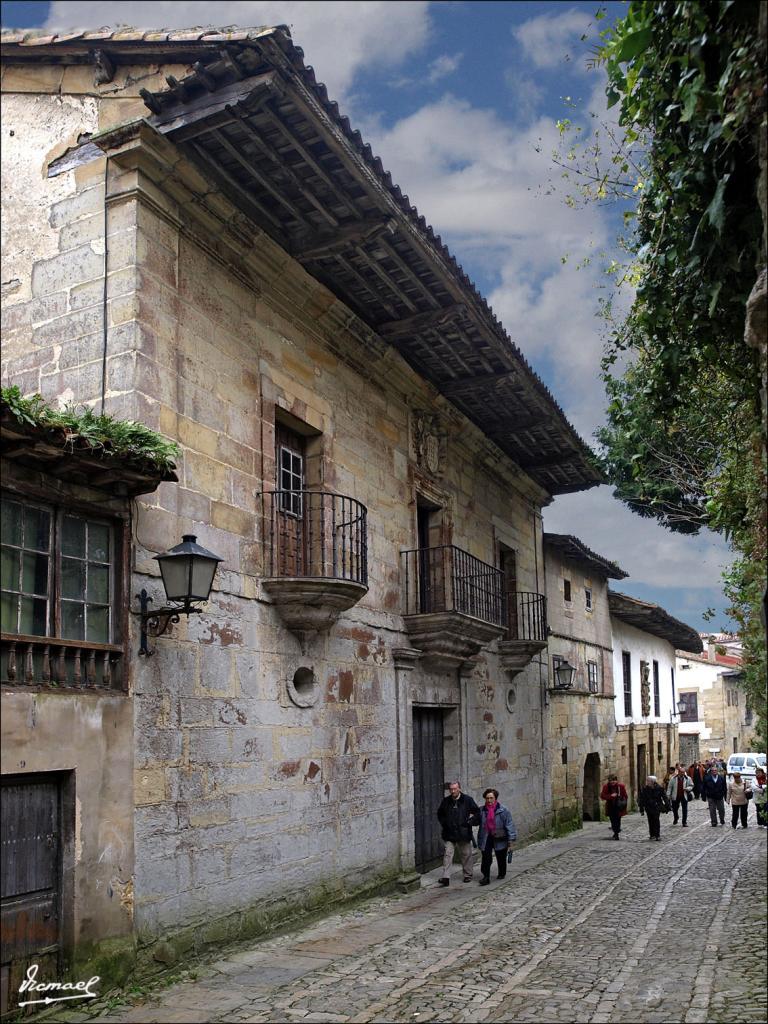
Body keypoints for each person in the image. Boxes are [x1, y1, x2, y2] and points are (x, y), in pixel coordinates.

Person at [436, 781, 480, 886]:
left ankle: (467, 875)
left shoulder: (467, 800)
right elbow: (440, 813)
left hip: (463, 832)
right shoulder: (446, 801)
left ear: (459, 788)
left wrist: (470, 822)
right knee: (448, 854)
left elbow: (477, 812)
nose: (453, 791)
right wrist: (445, 823)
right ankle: (446, 877)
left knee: (466, 854)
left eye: (455, 789)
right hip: (449, 832)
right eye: (451, 789)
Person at [476, 788, 516, 885]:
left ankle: (502, 873)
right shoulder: (481, 810)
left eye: (491, 798)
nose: (489, 800)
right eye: (487, 798)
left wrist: (511, 840)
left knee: (501, 857)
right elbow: (476, 821)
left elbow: (509, 824)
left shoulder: (503, 810)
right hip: (486, 837)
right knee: (486, 858)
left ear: (495, 798)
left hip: (500, 837)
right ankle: (486, 877)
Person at [638, 775, 670, 840]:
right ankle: (652, 834)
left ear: (653, 782)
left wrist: (668, 806)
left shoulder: (659, 788)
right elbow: (642, 799)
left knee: (656, 820)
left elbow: (664, 797)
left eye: (648, 781)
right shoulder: (645, 789)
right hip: (648, 807)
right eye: (647, 781)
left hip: (656, 807)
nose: (647, 782)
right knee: (650, 821)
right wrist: (641, 809)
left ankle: (657, 835)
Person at [600, 774, 628, 839]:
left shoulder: (621, 786)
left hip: (619, 806)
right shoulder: (606, 787)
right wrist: (611, 796)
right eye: (611, 780)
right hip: (610, 806)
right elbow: (602, 796)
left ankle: (616, 832)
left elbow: (625, 795)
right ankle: (616, 831)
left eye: (614, 780)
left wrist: (622, 801)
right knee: (612, 820)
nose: (613, 782)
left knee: (618, 819)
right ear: (609, 781)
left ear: (616, 780)